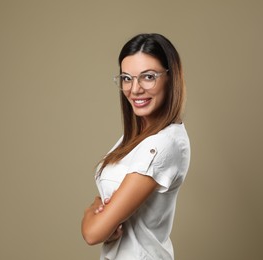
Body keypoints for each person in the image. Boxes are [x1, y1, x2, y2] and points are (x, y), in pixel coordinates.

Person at [81, 33, 191, 260]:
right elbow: (104, 198)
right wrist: (97, 208)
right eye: (127, 78)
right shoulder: (137, 137)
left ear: (171, 78)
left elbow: (93, 233)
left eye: (148, 77)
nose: (135, 89)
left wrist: (90, 216)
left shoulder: (163, 145)